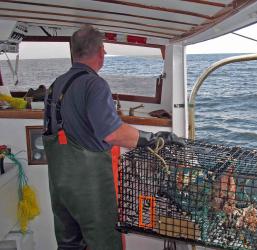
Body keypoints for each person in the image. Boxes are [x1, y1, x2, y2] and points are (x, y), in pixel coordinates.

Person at [43, 24, 184, 250]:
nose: (105, 54)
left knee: (69, 245)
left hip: (60, 187)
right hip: (90, 191)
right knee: (106, 243)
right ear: (99, 51)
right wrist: (154, 138)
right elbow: (113, 133)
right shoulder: (94, 84)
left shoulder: (55, 85)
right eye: (104, 50)